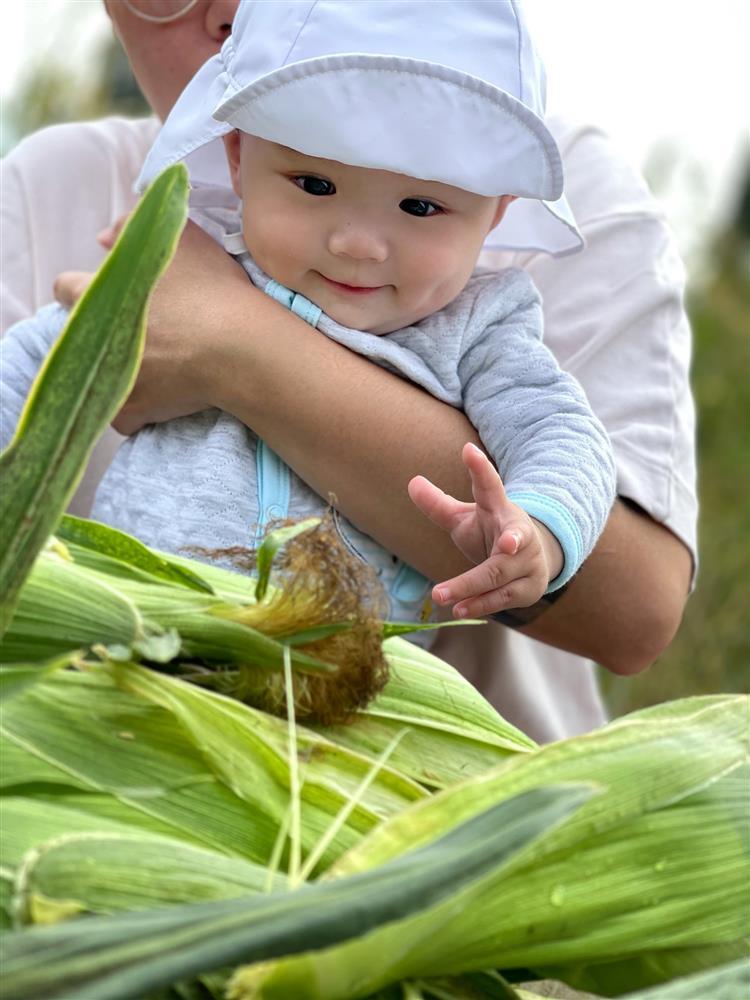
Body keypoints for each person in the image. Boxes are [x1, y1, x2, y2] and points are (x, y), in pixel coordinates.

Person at [0, 0, 696, 741]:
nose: (358, 243)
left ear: (495, 214)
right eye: (314, 186)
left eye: (420, 206)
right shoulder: (179, 253)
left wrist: (540, 529)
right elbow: (35, 366)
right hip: (132, 653)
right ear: (237, 158)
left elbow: (559, 432)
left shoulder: (479, 327)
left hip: (342, 722)